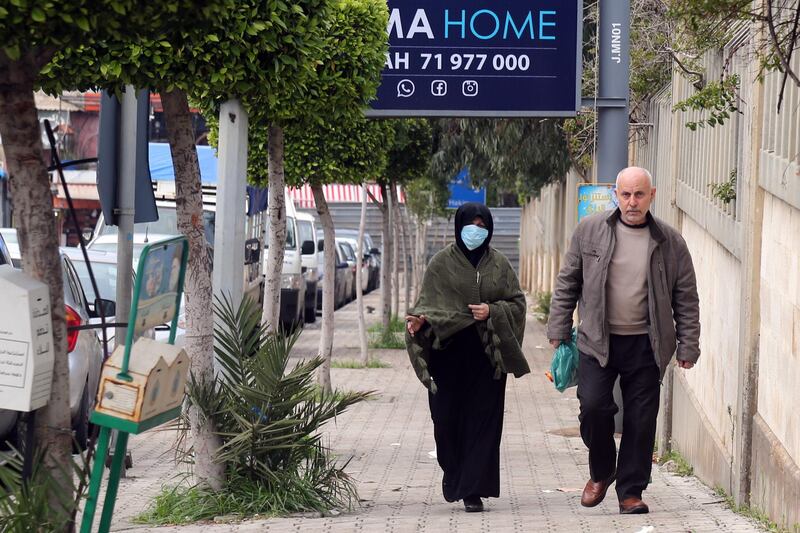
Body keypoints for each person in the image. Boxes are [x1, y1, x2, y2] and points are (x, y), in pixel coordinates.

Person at [547, 167, 700, 514]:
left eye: (639, 194)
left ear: (652, 195)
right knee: (595, 408)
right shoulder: (590, 231)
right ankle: (602, 471)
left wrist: (689, 344)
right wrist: (557, 328)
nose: (632, 202)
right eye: (626, 195)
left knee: (641, 420)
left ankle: (631, 491)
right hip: (597, 341)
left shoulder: (670, 241)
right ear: (616, 195)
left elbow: (686, 297)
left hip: (647, 344)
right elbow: (568, 282)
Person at [405, 202, 530, 513]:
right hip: (447, 355)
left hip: (488, 356)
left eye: (482, 226)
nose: (476, 232)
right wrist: (418, 322)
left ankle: (472, 489)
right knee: (445, 421)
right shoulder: (440, 264)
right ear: (458, 227)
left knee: (483, 423)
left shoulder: (499, 265)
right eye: (470, 225)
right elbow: (428, 305)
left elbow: (517, 304)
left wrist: (493, 311)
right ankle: (454, 473)